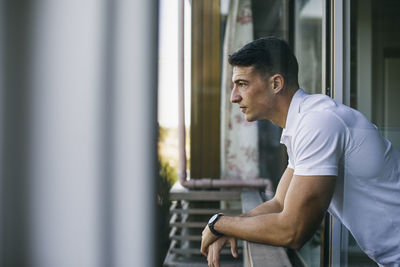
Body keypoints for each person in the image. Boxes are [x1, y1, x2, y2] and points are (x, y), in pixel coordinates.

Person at [200, 37, 400, 266]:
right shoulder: (303, 124)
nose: (234, 97)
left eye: (242, 84)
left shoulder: (317, 122)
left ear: (276, 84)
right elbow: (280, 204)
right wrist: (230, 227)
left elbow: (293, 230)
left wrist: (218, 223)